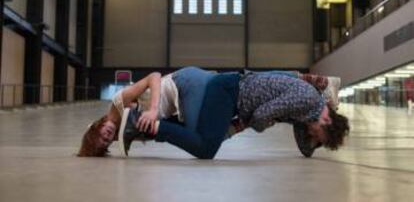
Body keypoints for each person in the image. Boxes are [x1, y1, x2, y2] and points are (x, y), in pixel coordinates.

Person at [78, 67, 348, 158]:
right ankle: (324, 84)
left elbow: (304, 147)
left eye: (101, 135)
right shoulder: (305, 104)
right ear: (324, 119)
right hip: (229, 92)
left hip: (210, 90)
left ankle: (324, 83)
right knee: (207, 144)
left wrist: (316, 136)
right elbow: (263, 117)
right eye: (319, 135)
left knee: (207, 141)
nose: (312, 136)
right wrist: (258, 123)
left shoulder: (308, 112)